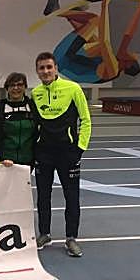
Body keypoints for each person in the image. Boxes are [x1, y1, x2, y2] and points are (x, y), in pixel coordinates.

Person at [32, 51, 92, 258]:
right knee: (43, 196)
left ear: (56, 68)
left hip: (68, 153)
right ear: (37, 71)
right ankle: (44, 234)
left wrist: (80, 148)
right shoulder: (36, 93)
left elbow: (86, 119)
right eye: (41, 68)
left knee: (71, 196)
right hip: (44, 154)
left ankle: (71, 238)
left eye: (49, 67)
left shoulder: (73, 88)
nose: (46, 71)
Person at [0, 72, 37, 166]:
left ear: (25, 87)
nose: (16, 88)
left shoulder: (33, 107)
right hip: (4, 162)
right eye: (12, 85)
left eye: (20, 85)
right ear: (7, 88)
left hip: (29, 161)